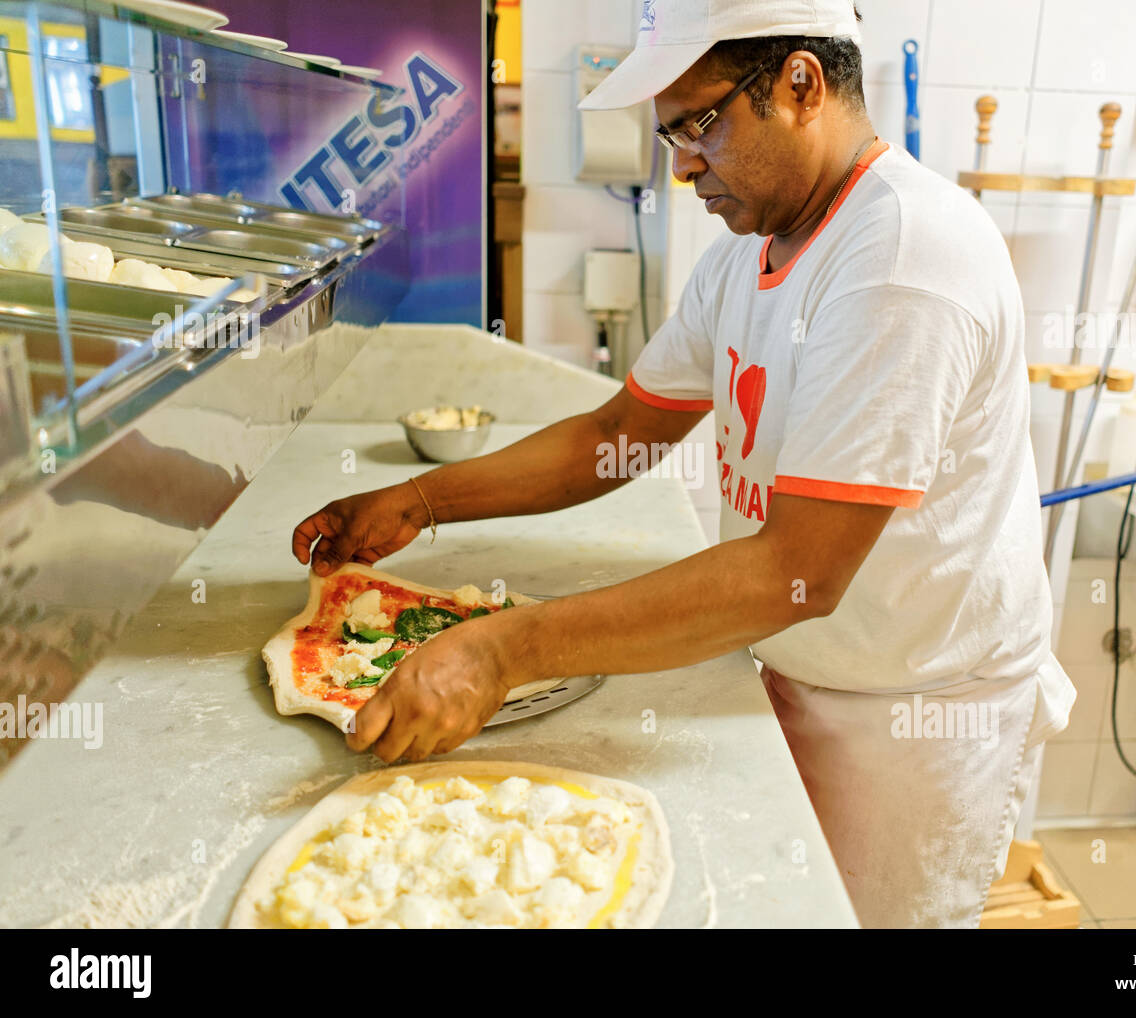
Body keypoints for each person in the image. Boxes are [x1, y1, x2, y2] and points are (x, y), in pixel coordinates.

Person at [291, 0, 1075, 928]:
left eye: (700, 124)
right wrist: (421, 500)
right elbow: (614, 434)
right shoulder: (749, 256)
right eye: (667, 134)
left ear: (800, 85)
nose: (682, 163)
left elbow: (797, 571)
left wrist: (503, 653)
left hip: (908, 712)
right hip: (789, 660)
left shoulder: (903, 258)